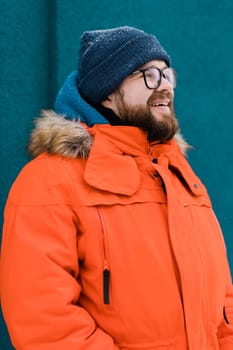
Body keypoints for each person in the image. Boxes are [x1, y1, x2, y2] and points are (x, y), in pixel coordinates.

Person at [1, 25, 233, 350]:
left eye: (168, 74)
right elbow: (45, 321)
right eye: (149, 75)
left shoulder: (179, 176)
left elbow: (222, 301)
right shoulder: (49, 182)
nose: (165, 86)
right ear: (107, 91)